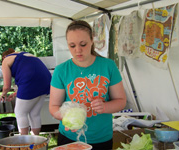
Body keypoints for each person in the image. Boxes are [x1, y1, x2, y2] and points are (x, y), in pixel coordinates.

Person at [49, 20, 126, 150]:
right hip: (69, 138)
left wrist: (104, 106)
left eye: (83, 44)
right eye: (72, 46)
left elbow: (121, 101)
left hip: (101, 139)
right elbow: (53, 106)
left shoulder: (108, 66)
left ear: (91, 40)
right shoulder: (61, 70)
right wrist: (66, 116)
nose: (78, 50)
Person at [0, 48, 51, 135]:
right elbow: (31, 73)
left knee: (20, 112)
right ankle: (35, 141)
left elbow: (6, 86)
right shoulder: (25, 55)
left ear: (4, 57)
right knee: (34, 113)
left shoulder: (6, 60)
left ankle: (24, 141)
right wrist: (16, 93)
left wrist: (3, 94)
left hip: (30, 81)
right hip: (46, 80)